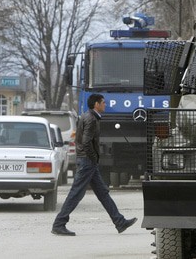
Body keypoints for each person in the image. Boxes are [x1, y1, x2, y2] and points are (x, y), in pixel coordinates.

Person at [51, 94, 137, 236]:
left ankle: (119, 222)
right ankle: (59, 224)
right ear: (96, 104)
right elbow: (86, 142)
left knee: (103, 193)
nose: (105, 105)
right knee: (76, 193)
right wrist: (93, 157)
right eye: (103, 102)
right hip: (87, 161)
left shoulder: (88, 116)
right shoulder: (91, 119)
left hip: (87, 161)